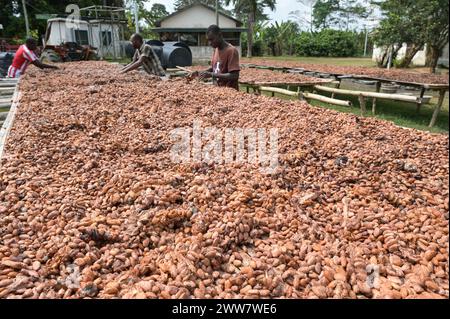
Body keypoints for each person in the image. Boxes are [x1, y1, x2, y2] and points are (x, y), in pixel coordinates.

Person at [198, 25, 240, 90]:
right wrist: (200, 73)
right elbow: (215, 68)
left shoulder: (231, 51)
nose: (210, 43)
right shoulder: (216, 50)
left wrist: (212, 75)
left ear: (220, 35)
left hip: (230, 93)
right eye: (208, 40)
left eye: (212, 39)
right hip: (218, 91)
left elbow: (234, 75)